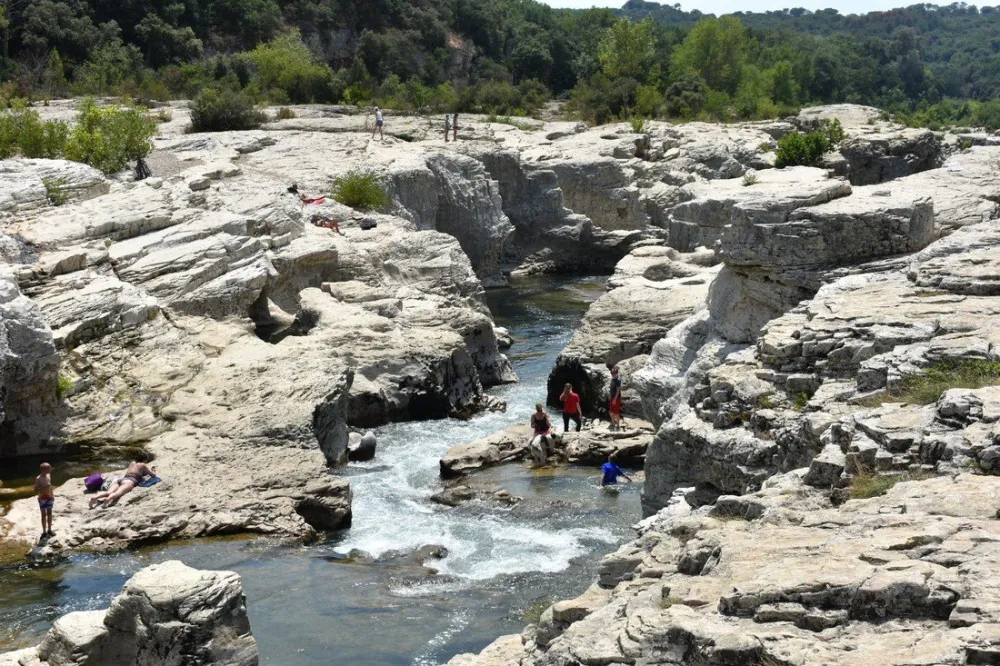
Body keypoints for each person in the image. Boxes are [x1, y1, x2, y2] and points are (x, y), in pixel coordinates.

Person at [89, 456, 156, 509]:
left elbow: (136, 471)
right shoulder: (143, 465)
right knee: (117, 493)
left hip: (121, 479)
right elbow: (153, 475)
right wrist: (153, 470)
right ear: (144, 460)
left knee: (108, 492)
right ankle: (108, 499)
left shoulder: (132, 463)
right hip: (129, 481)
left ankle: (95, 497)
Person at [34, 462, 55, 538]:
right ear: (43, 469)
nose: (50, 469)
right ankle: (44, 531)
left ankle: (49, 529)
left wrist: (52, 495)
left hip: (49, 497)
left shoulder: (49, 475)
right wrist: (45, 487)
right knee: (43, 515)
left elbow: (51, 486)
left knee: (50, 513)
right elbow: (36, 489)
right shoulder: (38, 478)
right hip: (42, 498)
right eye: (48, 468)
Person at [608, 365, 623, 431]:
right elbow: (611, 389)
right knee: (611, 412)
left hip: (616, 398)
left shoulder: (618, 381)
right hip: (612, 397)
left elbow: (618, 391)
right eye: (612, 374)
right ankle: (613, 423)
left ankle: (618, 425)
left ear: (617, 373)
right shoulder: (612, 379)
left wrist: (614, 399)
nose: (613, 375)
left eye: (614, 374)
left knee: (616, 412)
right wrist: (609, 395)